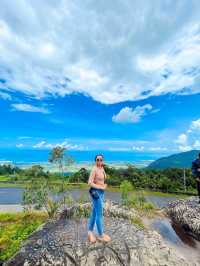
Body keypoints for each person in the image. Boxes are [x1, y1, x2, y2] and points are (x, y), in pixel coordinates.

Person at [87, 154, 111, 243]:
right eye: (97, 160)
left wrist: (104, 185)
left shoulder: (102, 168)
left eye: (101, 160)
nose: (99, 161)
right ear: (95, 161)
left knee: (94, 212)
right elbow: (89, 182)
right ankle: (100, 235)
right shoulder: (94, 169)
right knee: (99, 214)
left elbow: (102, 180)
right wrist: (100, 187)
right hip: (96, 193)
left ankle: (90, 231)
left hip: (101, 193)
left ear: (103, 161)